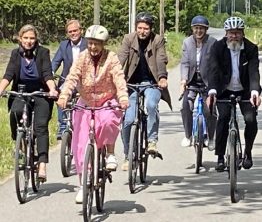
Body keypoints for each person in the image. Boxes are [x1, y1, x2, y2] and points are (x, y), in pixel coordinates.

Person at [56, 25, 128, 203]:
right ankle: (83, 185)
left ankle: (110, 153)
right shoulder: (81, 58)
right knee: (80, 146)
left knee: (108, 121)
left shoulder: (111, 58)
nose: (93, 47)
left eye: (96, 44)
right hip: (86, 101)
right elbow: (72, 77)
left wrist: (123, 97)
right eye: (90, 43)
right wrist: (64, 95)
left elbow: (119, 78)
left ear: (103, 44)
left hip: (106, 100)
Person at [0, 24, 59, 182]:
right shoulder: (15, 54)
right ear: (20, 39)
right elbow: (9, 73)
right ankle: (21, 146)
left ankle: (41, 164)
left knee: (40, 126)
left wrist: (52, 90)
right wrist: (1, 88)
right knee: (15, 114)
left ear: (36, 39)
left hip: (41, 92)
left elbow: (47, 73)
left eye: (32, 38)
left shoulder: (43, 52)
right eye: (25, 38)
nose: (29, 41)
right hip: (21, 91)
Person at [117, 11, 172, 171]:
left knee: (151, 104)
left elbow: (161, 59)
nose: (142, 31)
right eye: (140, 28)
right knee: (127, 119)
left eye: (146, 28)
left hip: (152, 83)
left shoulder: (157, 40)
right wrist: (116, 77)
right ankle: (128, 155)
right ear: (136, 28)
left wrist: (162, 77)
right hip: (131, 84)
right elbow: (121, 58)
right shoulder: (129, 39)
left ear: (150, 29)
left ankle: (152, 140)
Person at [206, 16, 262, 171]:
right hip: (224, 90)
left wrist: (255, 91)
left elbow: (253, 72)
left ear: (243, 33)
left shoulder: (251, 48)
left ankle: (248, 152)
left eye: (237, 33)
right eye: (231, 33)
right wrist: (212, 91)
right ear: (226, 33)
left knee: (250, 120)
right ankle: (220, 158)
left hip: (245, 91)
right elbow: (213, 71)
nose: (234, 36)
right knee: (223, 119)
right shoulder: (218, 47)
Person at [180, 15, 217, 149]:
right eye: (196, 28)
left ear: (206, 30)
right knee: (186, 106)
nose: (198, 31)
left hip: (208, 83)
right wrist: (183, 80)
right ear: (192, 29)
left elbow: (215, 65)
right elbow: (184, 63)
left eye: (201, 28)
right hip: (192, 82)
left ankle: (211, 138)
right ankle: (188, 135)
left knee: (210, 109)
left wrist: (214, 85)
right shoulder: (187, 42)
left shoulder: (212, 42)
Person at [51, 19, 87, 139]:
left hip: (84, 80)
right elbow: (55, 62)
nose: (73, 33)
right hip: (67, 79)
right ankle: (62, 127)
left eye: (75, 30)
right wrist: (50, 72)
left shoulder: (88, 44)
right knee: (60, 94)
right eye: (70, 31)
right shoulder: (63, 45)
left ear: (81, 31)